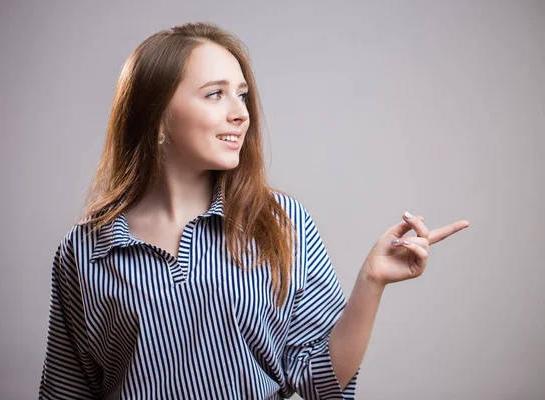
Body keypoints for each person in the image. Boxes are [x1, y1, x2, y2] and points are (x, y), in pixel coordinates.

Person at [38, 21, 469, 400]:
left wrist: (371, 281)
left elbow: (321, 385)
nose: (240, 113)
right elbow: (67, 391)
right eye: (215, 95)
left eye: (242, 95)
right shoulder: (84, 250)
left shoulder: (280, 222)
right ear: (157, 117)